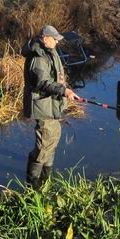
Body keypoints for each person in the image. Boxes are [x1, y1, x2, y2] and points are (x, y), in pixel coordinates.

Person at [23, 25, 80, 189]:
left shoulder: (49, 51)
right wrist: (63, 91)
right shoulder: (38, 58)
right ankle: (33, 187)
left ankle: (46, 181)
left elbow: (57, 77)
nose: (56, 41)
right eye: (54, 39)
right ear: (44, 38)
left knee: (53, 141)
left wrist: (67, 90)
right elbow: (42, 83)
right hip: (43, 106)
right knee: (43, 147)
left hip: (52, 106)